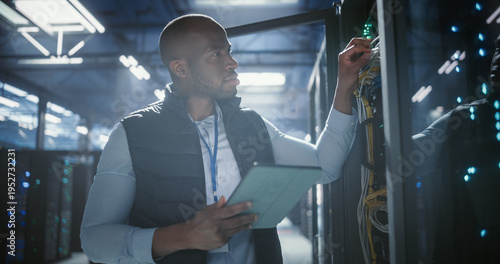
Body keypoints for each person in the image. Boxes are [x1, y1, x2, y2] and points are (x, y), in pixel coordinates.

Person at [80, 14, 371, 264]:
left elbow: (324, 166)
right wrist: (183, 235)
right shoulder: (132, 133)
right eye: (216, 54)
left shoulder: (253, 124)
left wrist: (345, 84)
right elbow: (95, 239)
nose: (232, 62)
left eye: (229, 52)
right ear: (180, 68)